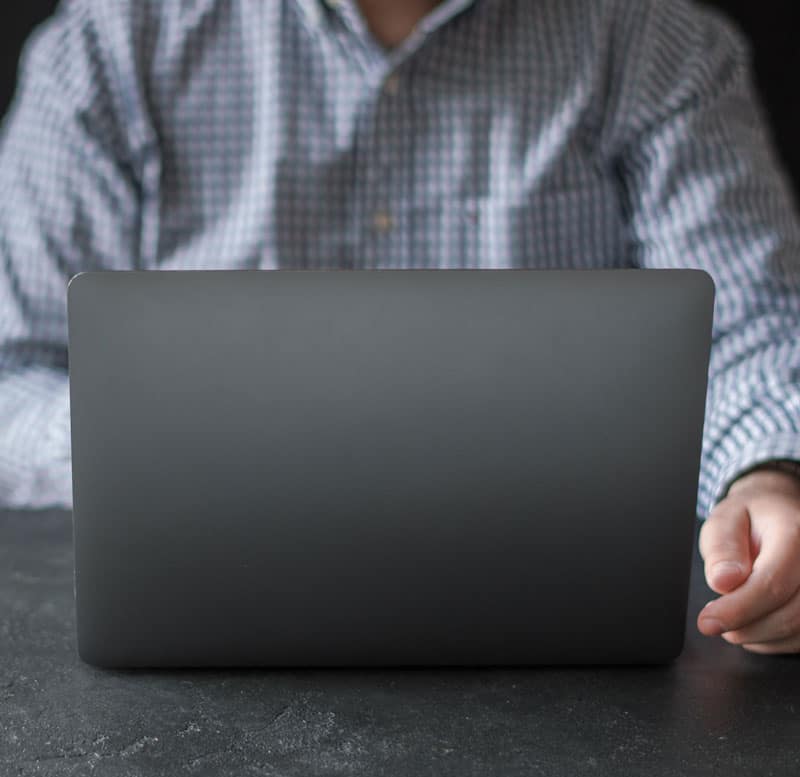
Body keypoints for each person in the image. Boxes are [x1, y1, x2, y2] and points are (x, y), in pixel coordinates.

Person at [1, 0, 800, 654]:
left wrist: (770, 476)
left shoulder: (655, 41)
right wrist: (134, 453)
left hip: (563, 669)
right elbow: (14, 372)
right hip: (200, 661)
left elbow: (745, 327)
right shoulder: (101, 52)